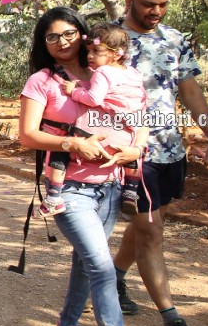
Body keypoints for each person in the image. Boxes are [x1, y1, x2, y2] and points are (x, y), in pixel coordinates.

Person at [18, 8, 149, 326]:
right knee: (101, 266)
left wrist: (136, 147)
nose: (62, 42)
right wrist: (71, 143)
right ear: (43, 44)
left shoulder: (110, 71)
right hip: (69, 188)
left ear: (84, 35)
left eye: (69, 33)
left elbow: (143, 113)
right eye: (52, 37)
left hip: (109, 186)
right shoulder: (42, 82)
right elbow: (27, 134)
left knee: (83, 260)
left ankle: (67, 324)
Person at [112, 0, 208, 326]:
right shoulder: (107, 39)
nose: (156, 11)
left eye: (162, 4)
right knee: (150, 229)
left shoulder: (175, 40)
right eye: (148, 4)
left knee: (148, 223)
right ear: (130, 0)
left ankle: (114, 277)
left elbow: (189, 89)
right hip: (128, 152)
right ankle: (172, 320)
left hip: (168, 151)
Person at [41, 22, 146, 216]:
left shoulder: (103, 72)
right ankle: (131, 191)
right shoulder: (134, 74)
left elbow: (93, 99)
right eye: (88, 50)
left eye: (97, 51)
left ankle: (54, 196)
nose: (90, 56)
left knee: (61, 145)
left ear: (117, 54)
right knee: (131, 160)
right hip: (127, 137)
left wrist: (75, 91)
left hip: (99, 135)